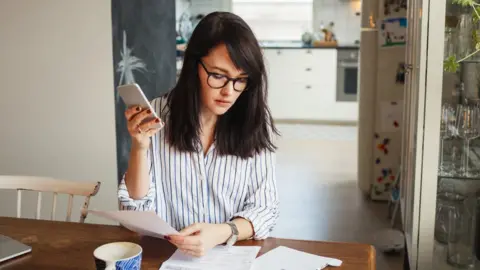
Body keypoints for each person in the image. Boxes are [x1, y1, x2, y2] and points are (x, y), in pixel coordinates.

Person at [118, 11, 279, 257]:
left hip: (231, 257)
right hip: (167, 256)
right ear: (194, 66)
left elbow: (265, 208)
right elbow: (134, 213)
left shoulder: (253, 121)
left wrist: (223, 231)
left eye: (241, 80)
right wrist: (139, 147)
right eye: (218, 75)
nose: (229, 91)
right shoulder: (158, 116)